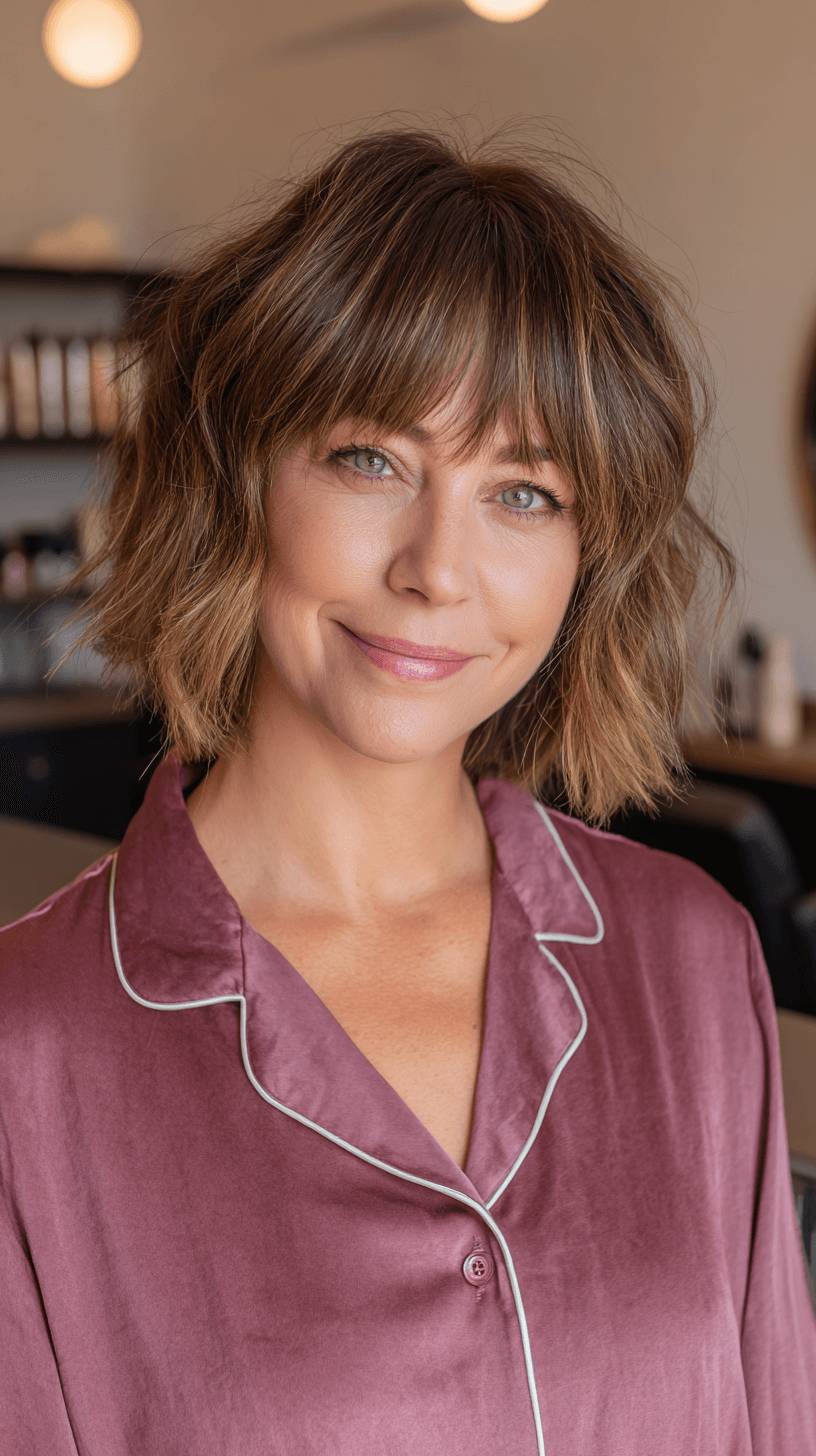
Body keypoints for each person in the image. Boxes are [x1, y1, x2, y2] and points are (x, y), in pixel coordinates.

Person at [1, 124, 814, 1456]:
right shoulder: (27, 1050)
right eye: (371, 460)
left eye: (524, 494)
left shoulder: (693, 960)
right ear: (240, 475)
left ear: (588, 557)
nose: (438, 568)